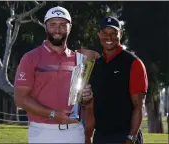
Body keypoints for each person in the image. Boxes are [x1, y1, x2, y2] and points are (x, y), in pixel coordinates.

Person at [14, 6, 96, 143]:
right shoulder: (30, 58)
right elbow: (20, 99)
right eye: (53, 24)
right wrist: (53, 114)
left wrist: (86, 96)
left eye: (63, 25)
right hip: (43, 132)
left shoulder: (79, 59)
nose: (57, 30)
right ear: (45, 27)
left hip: (75, 131)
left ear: (70, 27)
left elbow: (80, 100)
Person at [84, 16, 148, 144]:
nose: (109, 38)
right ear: (99, 34)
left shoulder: (133, 63)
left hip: (125, 136)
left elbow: (139, 105)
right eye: (105, 33)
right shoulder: (96, 65)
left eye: (114, 33)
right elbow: (91, 106)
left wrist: (132, 137)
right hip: (101, 137)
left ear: (121, 34)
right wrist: (88, 137)